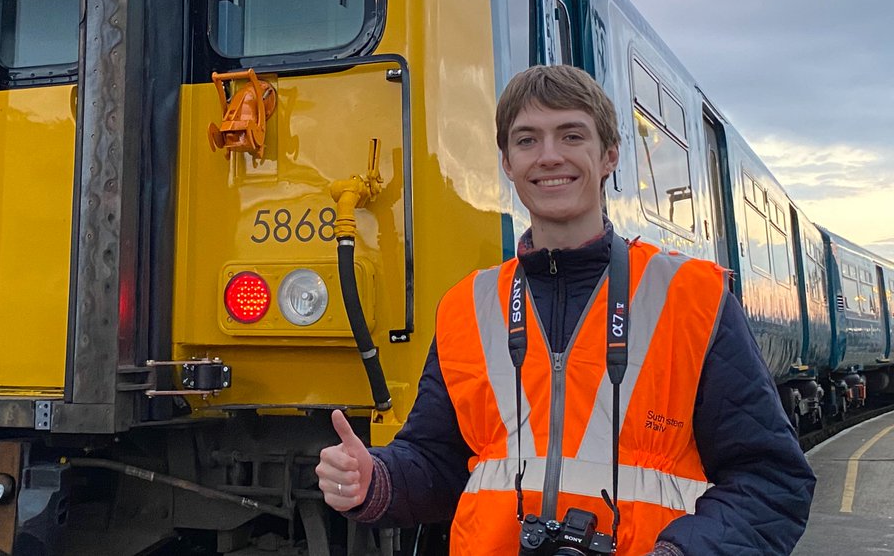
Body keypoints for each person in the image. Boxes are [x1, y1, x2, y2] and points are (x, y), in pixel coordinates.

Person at [315, 65, 814, 555]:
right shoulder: (467, 307)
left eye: (571, 136)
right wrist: (374, 479)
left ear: (609, 156)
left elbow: (771, 480)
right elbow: (437, 459)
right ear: (507, 163)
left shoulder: (692, 299)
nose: (549, 156)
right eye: (527, 140)